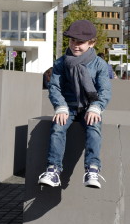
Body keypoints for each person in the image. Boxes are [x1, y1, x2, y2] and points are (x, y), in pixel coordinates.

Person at [38, 19, 112, 189]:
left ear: (92, 43)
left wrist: (96, 107)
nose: (75, 45)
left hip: (90, 106)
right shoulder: (61, 63)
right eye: (72, 41)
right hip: (69, 106)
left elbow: (105, 90)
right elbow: (55, 87)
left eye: (80, 42)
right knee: (58, 127)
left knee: (94, 128)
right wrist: (61, 107)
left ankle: (92, 170)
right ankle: (53, 170)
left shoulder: (100, 64)